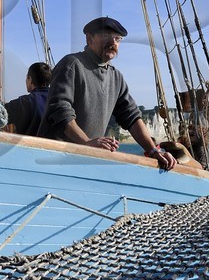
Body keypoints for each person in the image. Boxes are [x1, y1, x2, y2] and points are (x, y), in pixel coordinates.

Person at [38, 17, 177, 169]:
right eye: (106, 36)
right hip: (54, 159)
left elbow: (131, 116)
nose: (113, 43)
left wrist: (153, 150)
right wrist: (86, 144)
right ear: (89, 38)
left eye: (117, 38)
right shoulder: (71, 65)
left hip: (85, 162)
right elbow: (60, 111)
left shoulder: (116, 77)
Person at [4, 60, 52, 136]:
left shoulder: (23, 103)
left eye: (27, 78)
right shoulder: (59, 101)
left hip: (28, 147)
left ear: (30, 79)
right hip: (57, 147)